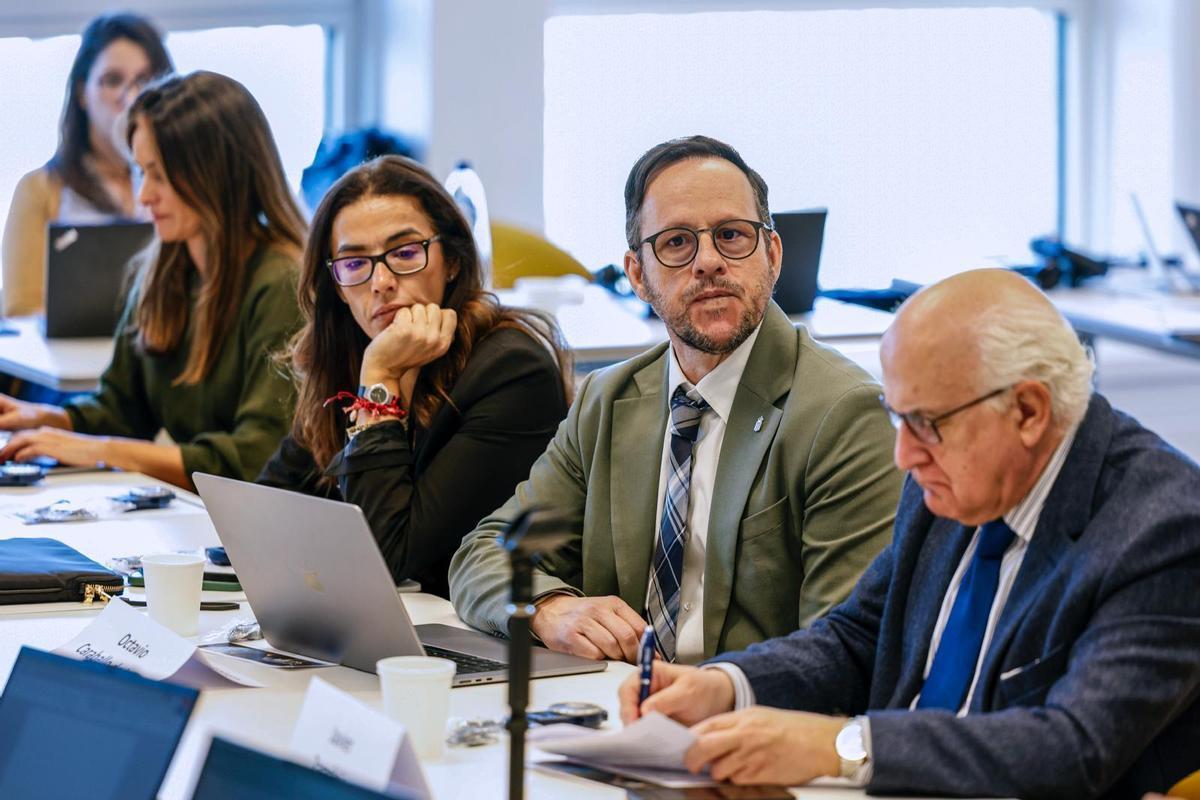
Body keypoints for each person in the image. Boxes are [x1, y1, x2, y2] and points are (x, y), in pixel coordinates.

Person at [620, 269, 1200, 799]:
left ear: (1027, 411)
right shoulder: (957, 475)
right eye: (898, 417)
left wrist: (838, 745)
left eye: (924, 423)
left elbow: (1075, 747)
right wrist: (726, 686)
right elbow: (860, 636)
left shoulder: (1164, 530)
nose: (904, 454)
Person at [449, 135, 900, 664]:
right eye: (677, 243)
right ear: (637, 274)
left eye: (732, 235)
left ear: (772, 255)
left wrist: (691, 699)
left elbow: (840, 654)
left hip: (746, 723)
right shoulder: (606, 401)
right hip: (609, 706)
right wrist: (546, 606)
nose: (708, 262)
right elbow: (483, 554)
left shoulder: (844, 412)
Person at [256, 155, 571, 599]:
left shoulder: (511, 369)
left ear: (453, 262)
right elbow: (263, 513)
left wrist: (380, 383)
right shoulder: (347, 357)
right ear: (336, 287)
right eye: (354, 263)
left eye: (404, 253)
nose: (381, 281)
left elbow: (392, 561)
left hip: (476, 640)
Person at [0, 72, 306, 489]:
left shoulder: (281, 284)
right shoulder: (163, 272)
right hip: (202, 517)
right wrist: (44, 418)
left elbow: (254, 458)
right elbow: (123, 410)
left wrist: (102, 450)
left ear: (216, 175)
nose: (144, 195)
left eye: (160, 175)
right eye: (142, 172)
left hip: (263, 528)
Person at [2, 12, 173, 317]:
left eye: (145, 80)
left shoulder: (183, 188)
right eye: (113, 80)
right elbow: (21, 309)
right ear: (83, 93)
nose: (130, 97)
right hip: (70, 362)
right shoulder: (40, 190)